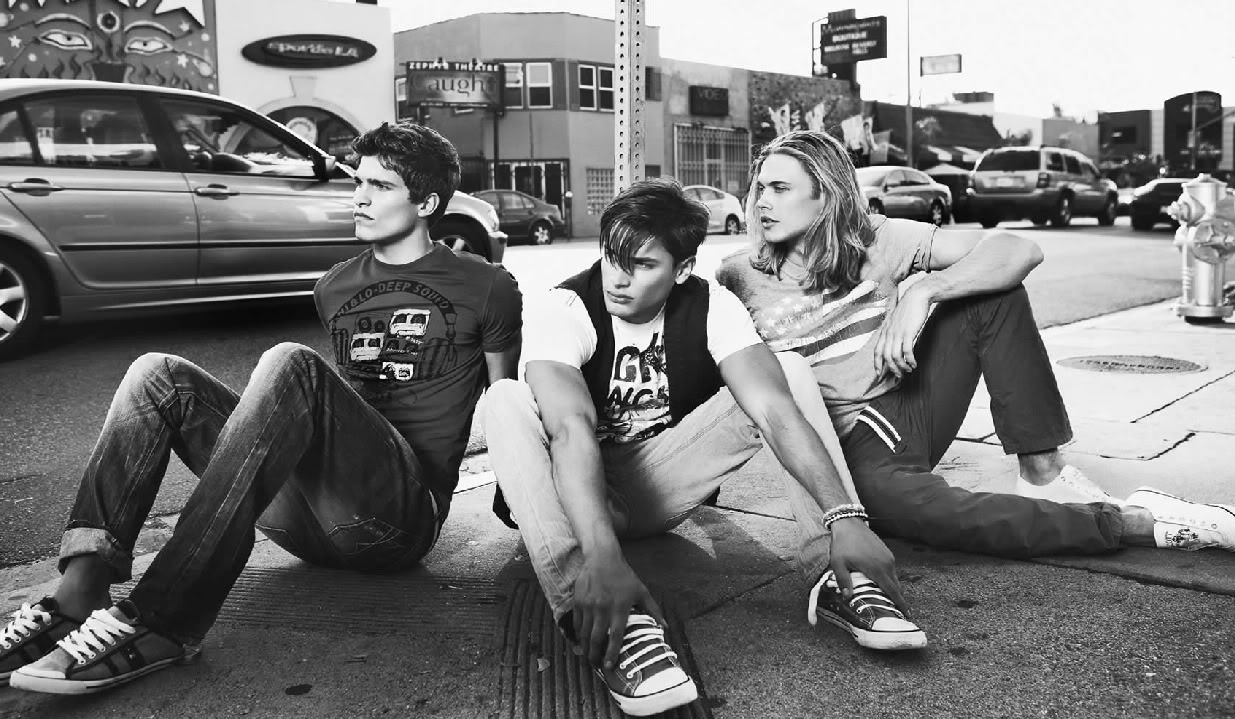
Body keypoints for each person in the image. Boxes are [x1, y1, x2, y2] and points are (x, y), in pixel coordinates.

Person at [0, 122, 522, 695]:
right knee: (156, 374)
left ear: (426, 204)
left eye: (381, 186)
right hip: (309, 524)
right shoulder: (335, 286)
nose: (360, 196)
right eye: (358, 181)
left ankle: (164, 619)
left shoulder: (487, 287)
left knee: (291, 362)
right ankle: (80, 590)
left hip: (396, 523)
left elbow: (505, 401)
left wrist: (518, 495)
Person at [483, 179, 924, 719]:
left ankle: (838, 571)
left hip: (655, 483)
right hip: (568, 497)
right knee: (504, 399)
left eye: (642, 264)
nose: (617, 278)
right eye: (611, 257)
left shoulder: (712, 305)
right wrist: (603, 556)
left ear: (683, 269)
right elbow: (571, 428)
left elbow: (773, 411)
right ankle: (602, 616)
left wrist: (847, 516)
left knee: (785, 371)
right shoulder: (565, 307)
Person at [716, 129, 1234, 570]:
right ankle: (1135, 523)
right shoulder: (738, 274)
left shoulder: (880, 238)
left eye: (780, 188)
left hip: (910, 405)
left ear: (826, 195)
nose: (761, 202)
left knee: (992, 291)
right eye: (759, 187)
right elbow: (711, 367)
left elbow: (1017, 248)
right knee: (915, 516)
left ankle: (1043, 472)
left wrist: (924, 290)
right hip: (846, 448)